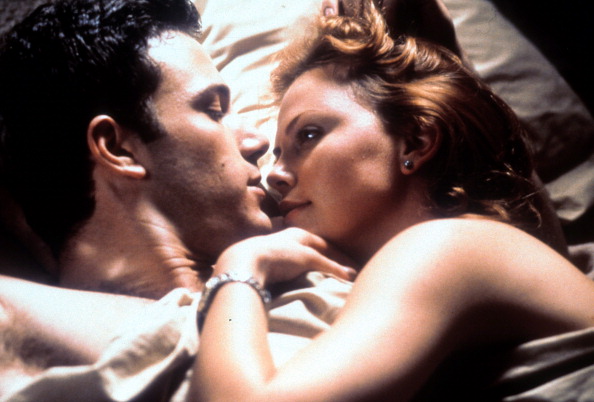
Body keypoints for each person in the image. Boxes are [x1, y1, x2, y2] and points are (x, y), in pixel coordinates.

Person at [192, 3, 594, 400]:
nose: (275, 176)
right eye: (278, 154)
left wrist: (239, 266)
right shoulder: (485, 247)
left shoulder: (444, 247)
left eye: (309, 135)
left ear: (416, 141)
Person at [0, 0, 354, 399]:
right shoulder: (16, 333)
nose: (257, 141)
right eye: (213, 111)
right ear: (118, 148)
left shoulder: (323, 267)